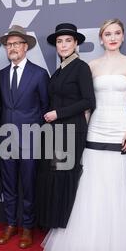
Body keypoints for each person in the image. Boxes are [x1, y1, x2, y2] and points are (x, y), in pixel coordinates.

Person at [42, 19, 126, 251]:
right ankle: (90, 247)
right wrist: (84, 128)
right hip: (95, 129)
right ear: (100, 38)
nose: (112, 37)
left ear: (123, 36)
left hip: (120, 126)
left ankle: (120, 248)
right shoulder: (91, 66)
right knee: (92, 186)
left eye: (117, 33)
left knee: (120, 185)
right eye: (107, 33)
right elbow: (86, 103)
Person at [36, 23, 95, 230]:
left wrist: (57, 113)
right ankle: (55, 228)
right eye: (60, 41)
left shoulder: (81, 68)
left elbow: (89, 101)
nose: (63, 45)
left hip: (71, 131)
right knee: (54, 180)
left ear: (76, 43)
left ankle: (65, 229)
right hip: (55, 133)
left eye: (68, 40)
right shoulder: (59, 70)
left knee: (65, 180)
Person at [0, 25, 49, 249]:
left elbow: (45, 107)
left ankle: (27, 227)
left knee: (28, 185)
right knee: (8, 185)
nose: (12, 48)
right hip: (6, 140)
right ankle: (11, 224)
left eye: (17, 43)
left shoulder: (39, 74)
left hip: (30, 140)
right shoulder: (0, 75)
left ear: (25, 47)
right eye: (9, 44)